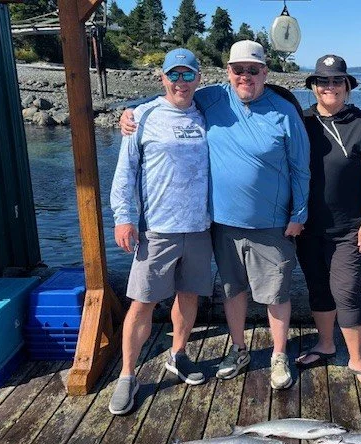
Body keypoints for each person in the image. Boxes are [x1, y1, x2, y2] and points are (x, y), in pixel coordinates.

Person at [121, 41, 310, 391]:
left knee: (277, 294)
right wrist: (129, 109)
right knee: (232, 290)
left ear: (265, 72)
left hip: (271, 224)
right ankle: (238, 350)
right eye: (239, 69)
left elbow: (301, 168)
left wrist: (299, 213)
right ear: (228, 72)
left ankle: (279, 354)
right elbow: (173, 96)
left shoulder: (284, 112)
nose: (246, 76)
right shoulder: (213, 97)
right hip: (220, 223)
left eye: (253, 70)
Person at [108, 48, 212, 415]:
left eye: (188, 75)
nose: (181, 82)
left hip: (200, 227)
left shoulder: (207, 112)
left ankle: (178, 354)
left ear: (199, 78)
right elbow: (125, 172)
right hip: (157, 229)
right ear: (162, 78)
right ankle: (127, 374)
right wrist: (123, 217)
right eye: (174, 75)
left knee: (189, 295)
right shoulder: (142, 115)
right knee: (142, 303)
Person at [295, 55, 361, 390]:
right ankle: (325, 344)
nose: (329, 87)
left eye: (336, 81)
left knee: (346, 292)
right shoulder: (300, 121)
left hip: (349, 228)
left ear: (347, 86)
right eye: (322, 81)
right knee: (318, 289)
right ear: (313, 87)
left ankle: (357, 359)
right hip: (306, 227)